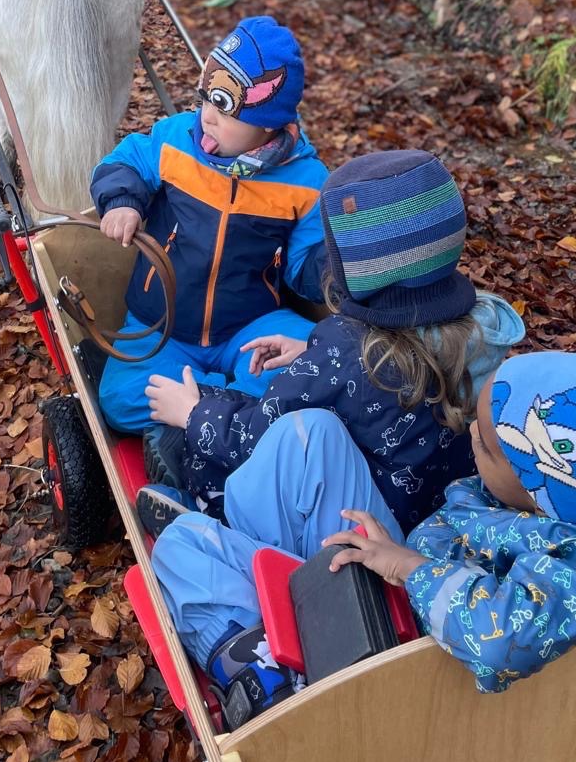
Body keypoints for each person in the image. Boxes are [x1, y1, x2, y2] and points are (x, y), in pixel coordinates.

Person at [149, 349, 576, 728]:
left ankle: (262, 671)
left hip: (389, 658)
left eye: (484, 444)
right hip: (391, 592)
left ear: (549, 487)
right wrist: (402, 557)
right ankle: (243, 560)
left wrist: (407, 567)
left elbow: (501, 639)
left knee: (181, 546)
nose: (471, 442)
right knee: (312, 437)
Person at [136, 151, 525, 534]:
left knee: (245, 420)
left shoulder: (347, 348)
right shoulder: (482, 326)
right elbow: (392, 374)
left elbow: (259, 435)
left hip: (349, 527)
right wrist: (311, 353)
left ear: (356, 265)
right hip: (429, 510)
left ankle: (212, 515)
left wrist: (192, 413)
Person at [92, 16, 327, 435]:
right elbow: (126, 161)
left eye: (224, 109)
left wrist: (333, 270)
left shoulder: (305, 182)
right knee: (118, 397)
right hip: (161, 324)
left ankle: (204, 406)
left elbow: (306, 263)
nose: (207, 118)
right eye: (206, 100)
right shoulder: (176, 141)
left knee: (316, 357)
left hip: (249, 325)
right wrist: (123, 202)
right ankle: (233, 406)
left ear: (268, 122)